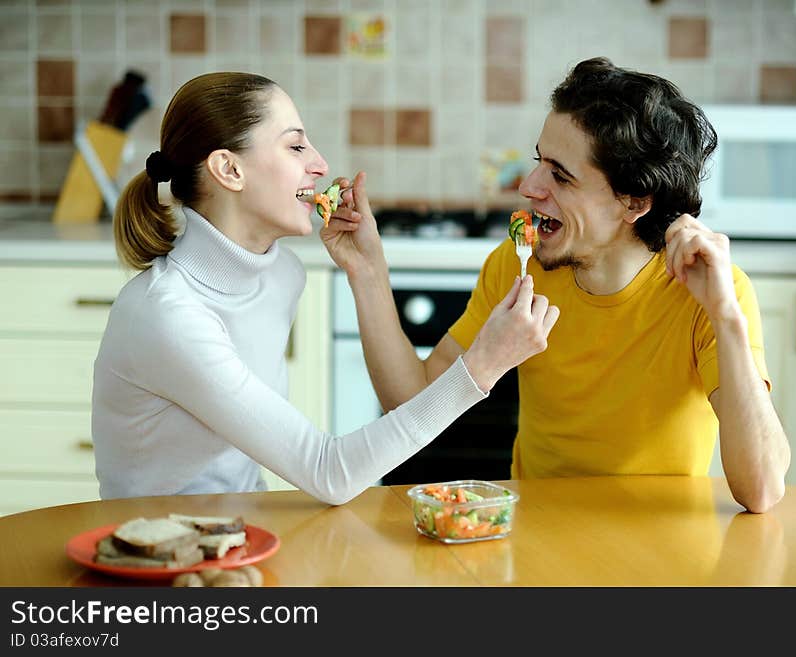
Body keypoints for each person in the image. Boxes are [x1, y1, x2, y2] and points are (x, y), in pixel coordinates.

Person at [321, 57, 790, 514]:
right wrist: (368, 272)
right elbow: (409, 399)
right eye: (539, 162)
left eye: (560, 176)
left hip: (658, 550)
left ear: (634, 203)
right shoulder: (517, 265)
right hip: (536, 535)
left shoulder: (708, 290)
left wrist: (726, 315)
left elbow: (762, 490)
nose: (529, 186)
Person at [91, 72, 559, 505]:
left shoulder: (282, 275)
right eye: (296, 147)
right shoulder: (166, 315)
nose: (320, 164)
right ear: (229, 170)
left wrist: (368, 267)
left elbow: (241, 475)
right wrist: (483, 365)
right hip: (151, 555)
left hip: (239, 535)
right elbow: (327, 472)